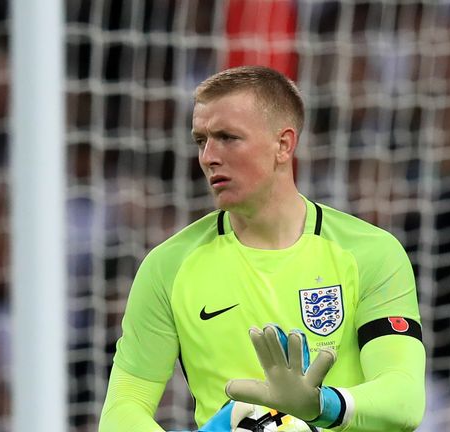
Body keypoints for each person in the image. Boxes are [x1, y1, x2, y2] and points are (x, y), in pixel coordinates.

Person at [99, 65, 426, 431]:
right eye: (201, 140)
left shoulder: (370, 253)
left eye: (228, 137)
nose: (208, 157)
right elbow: (122, 409)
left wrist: (321, 405)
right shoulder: (169, 265)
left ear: (283, 144)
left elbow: (405, 399)